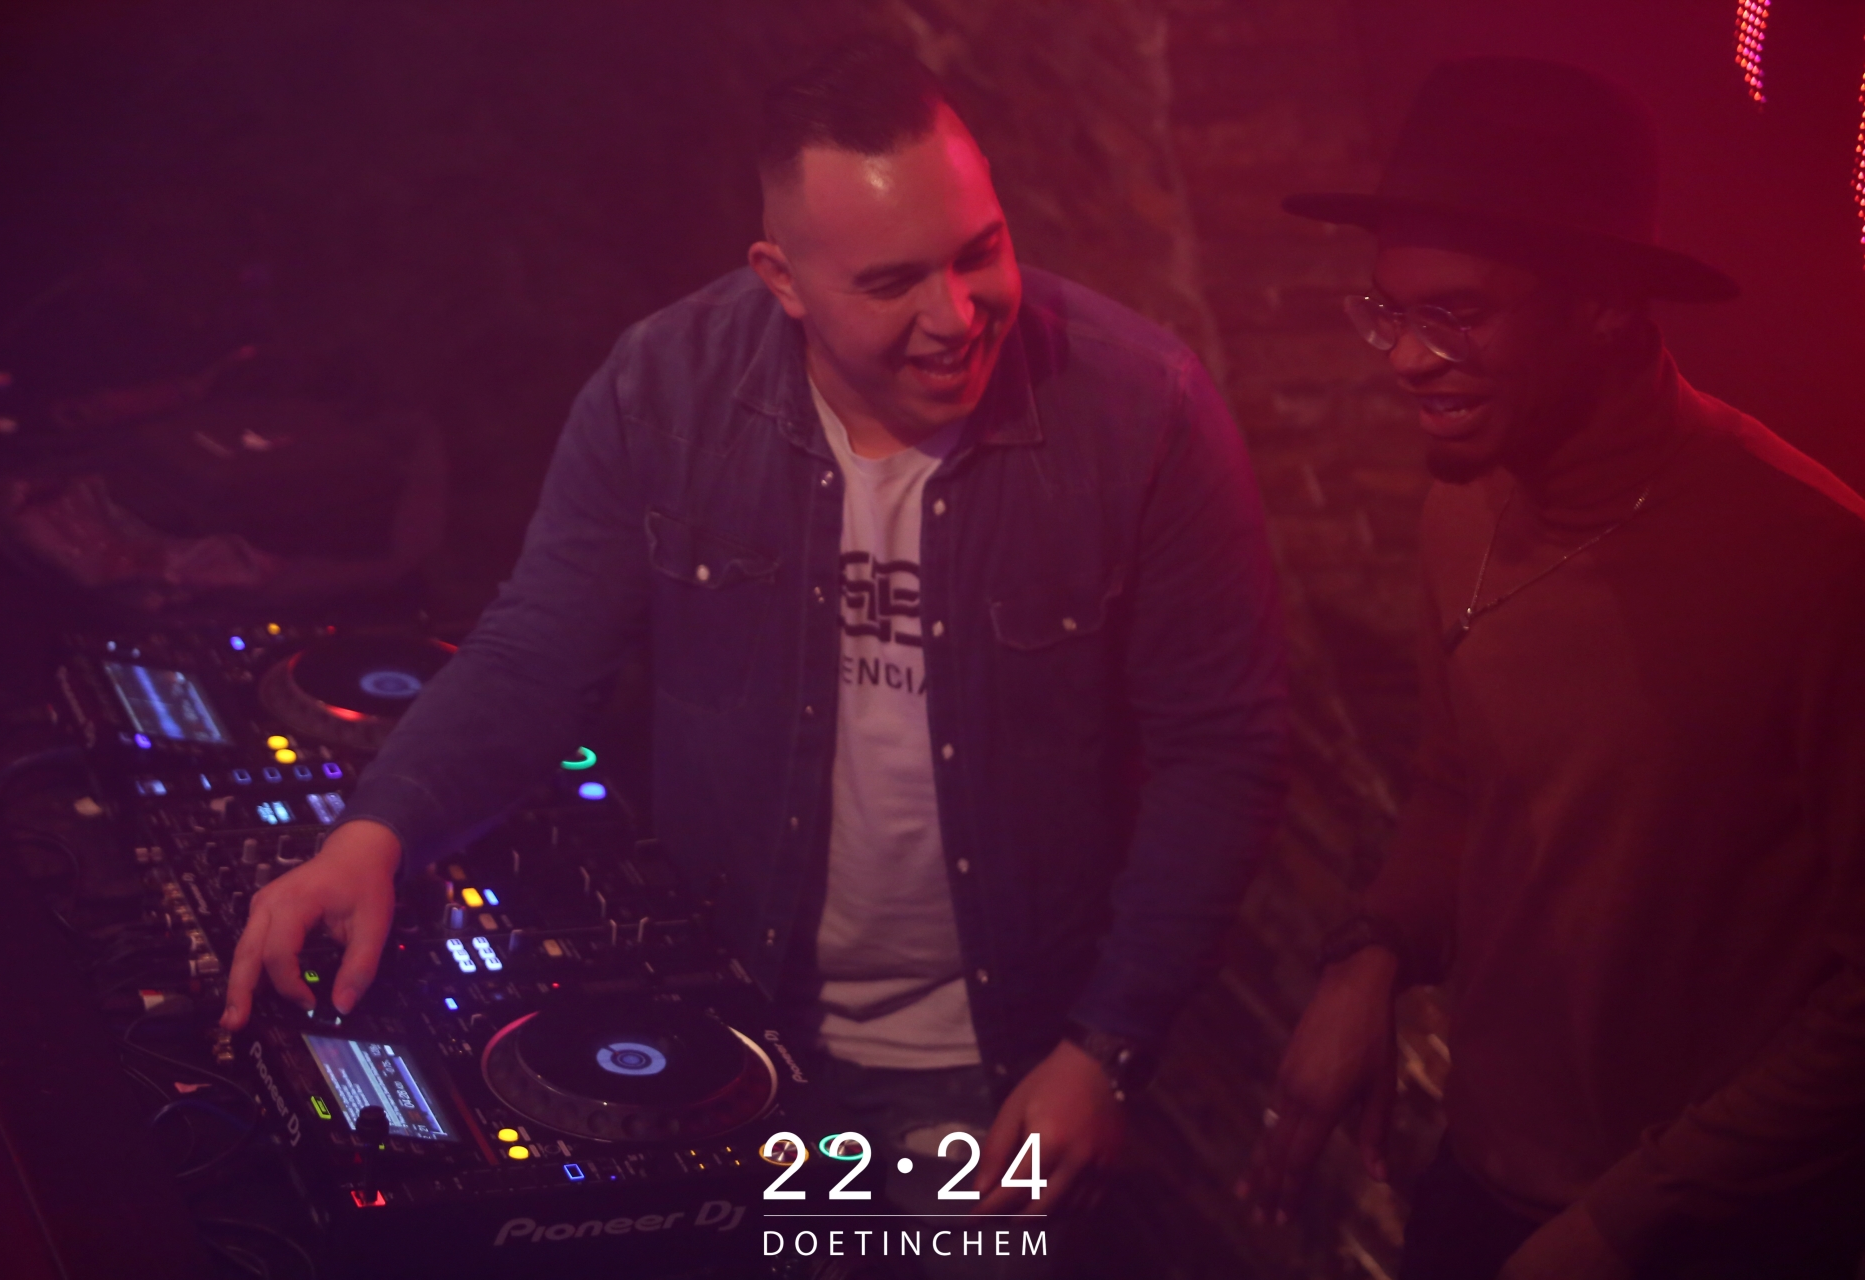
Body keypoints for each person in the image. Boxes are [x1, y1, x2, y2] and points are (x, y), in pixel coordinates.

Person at [220, 37, 1287, 1253]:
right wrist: (374, 832)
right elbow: (536, 650)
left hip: (995, 1077)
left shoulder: (1144, 408)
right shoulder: (667, 386)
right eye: (891, 283)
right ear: (782, 279)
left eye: (979, 251)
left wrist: (1108, 1049)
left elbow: (1223, 753)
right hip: (721, 1038)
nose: (954, 315)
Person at [1237, 56, 1865, 1280]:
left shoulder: (1817, 565)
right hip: (1481, 1190)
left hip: (1711, 1235)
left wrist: (1628, 1220)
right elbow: (1461, 786)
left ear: (1607, 305)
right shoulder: (1462, 505)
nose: (1405, 358)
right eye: (1387, 311)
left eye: (1456, 314)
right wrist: (1373, 950)